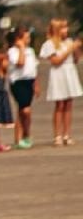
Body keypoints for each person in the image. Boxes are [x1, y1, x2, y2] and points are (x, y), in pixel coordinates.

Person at [39, 18, 81, 146]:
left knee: (69, 104)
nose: (66, 30)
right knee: (60, 105)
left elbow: (75, 60)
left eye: (66, 27)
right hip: (58, 73)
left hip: (70, 71)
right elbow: (56, 61)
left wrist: (77, 49)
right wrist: (69, 49)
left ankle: (67, 134)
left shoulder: (68, 41)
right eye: (63, 28)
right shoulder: (50, 44)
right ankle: (57, 135)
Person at [7, 27, 37, 148]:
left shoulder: (31, 51)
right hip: (18, 82)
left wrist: (36, 83)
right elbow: (20, 63)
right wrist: (21, 48)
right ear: (18, 39)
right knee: (25, 110)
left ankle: (21, 137)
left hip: (29, 81)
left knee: (22, 111)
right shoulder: (13, 51)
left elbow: (33, 69)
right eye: (26, 38)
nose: (28, 40)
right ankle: (25, 134)